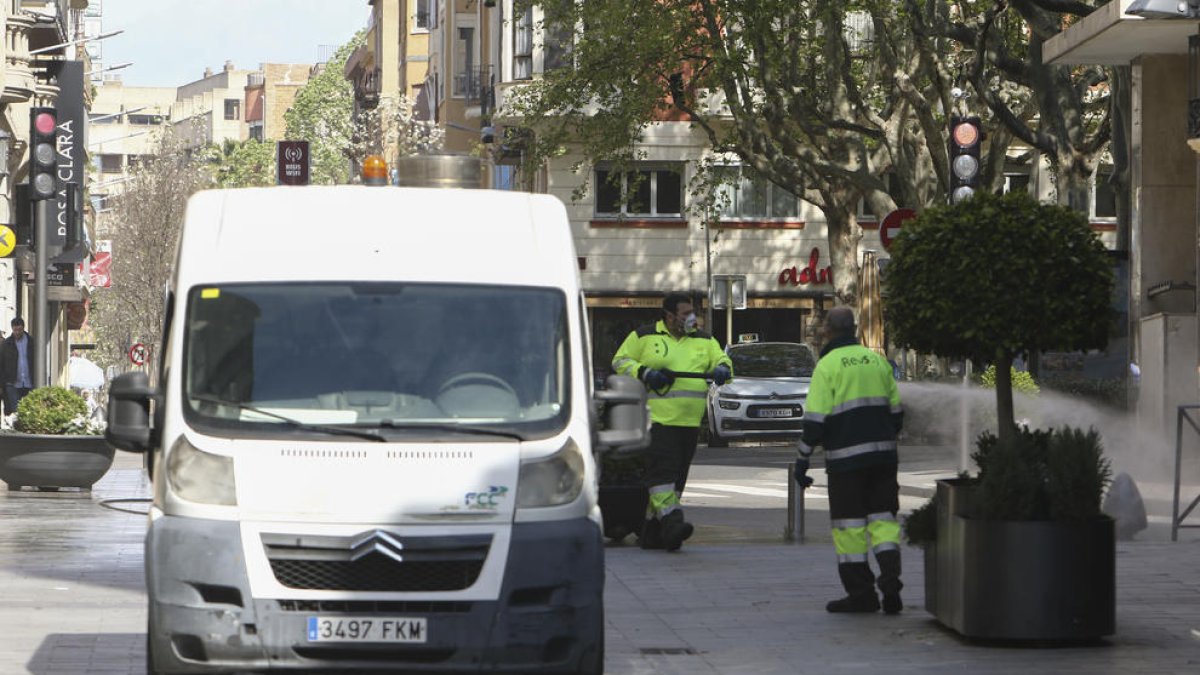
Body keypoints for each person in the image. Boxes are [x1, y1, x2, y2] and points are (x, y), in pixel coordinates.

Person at [795, 306, 904, 613]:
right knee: (883, 521)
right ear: (854, 329)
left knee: (850, 528)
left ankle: (862, 595)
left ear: (828, 330)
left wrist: (802, 461)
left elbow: (815, 421)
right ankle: (891, 580)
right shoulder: (877, 361)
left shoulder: (827, 366)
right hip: (883, 458)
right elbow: (897, 414)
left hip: (846, 464)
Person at [612, 293, 732, 552]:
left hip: (689, 422)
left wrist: (724, 368)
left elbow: (721, 359)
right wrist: (645, 373)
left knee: (676, 479)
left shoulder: (704, 339)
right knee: (663, 473)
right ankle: (673, 522)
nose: (691, 317)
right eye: (685, 313)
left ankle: (652, 533)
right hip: (657, 419)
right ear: (668, 315)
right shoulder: (644, 336)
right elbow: (620, 360)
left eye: (693, 312)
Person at [0, 318, 33, 416]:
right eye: (15, 330)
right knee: (15, 412)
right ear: (12, 329)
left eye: (19, 330)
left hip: (28, 383)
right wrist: (2, 383)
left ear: (23, 328)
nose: (17, 332)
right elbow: (1, 364)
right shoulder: (6, 344)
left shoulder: (31, 342)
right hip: (12, 383)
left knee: (28, 411)